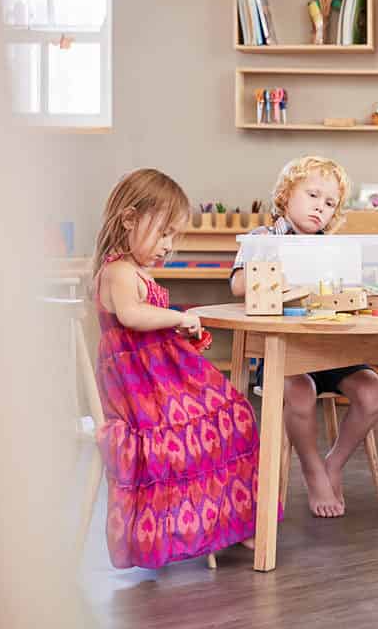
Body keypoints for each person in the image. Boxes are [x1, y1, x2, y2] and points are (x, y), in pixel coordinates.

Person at [93, 168, 259, 568]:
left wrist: (180, 331)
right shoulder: (118, 271)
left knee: (234, 414)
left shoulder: (136, 271)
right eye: (162, 233)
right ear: (129, 219)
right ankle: (215, 525)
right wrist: (176, 317)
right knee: (216, 422)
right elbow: (132, 317)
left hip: (156, 379)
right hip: (140, 390)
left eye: (173, 236)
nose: (168, 246)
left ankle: (226, 522)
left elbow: (145, 325)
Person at [230, 155, 378, 518]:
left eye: (329, 203)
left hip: (330, 350)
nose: (321, 207)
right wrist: (269, 276)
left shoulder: (332, 247)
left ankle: (334, 463)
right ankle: (313, 467)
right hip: (282, 351)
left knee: (372, 391)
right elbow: (238, 284)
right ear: (286, 195)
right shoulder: (263, 239)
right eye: (313, 195)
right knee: (300, 392)